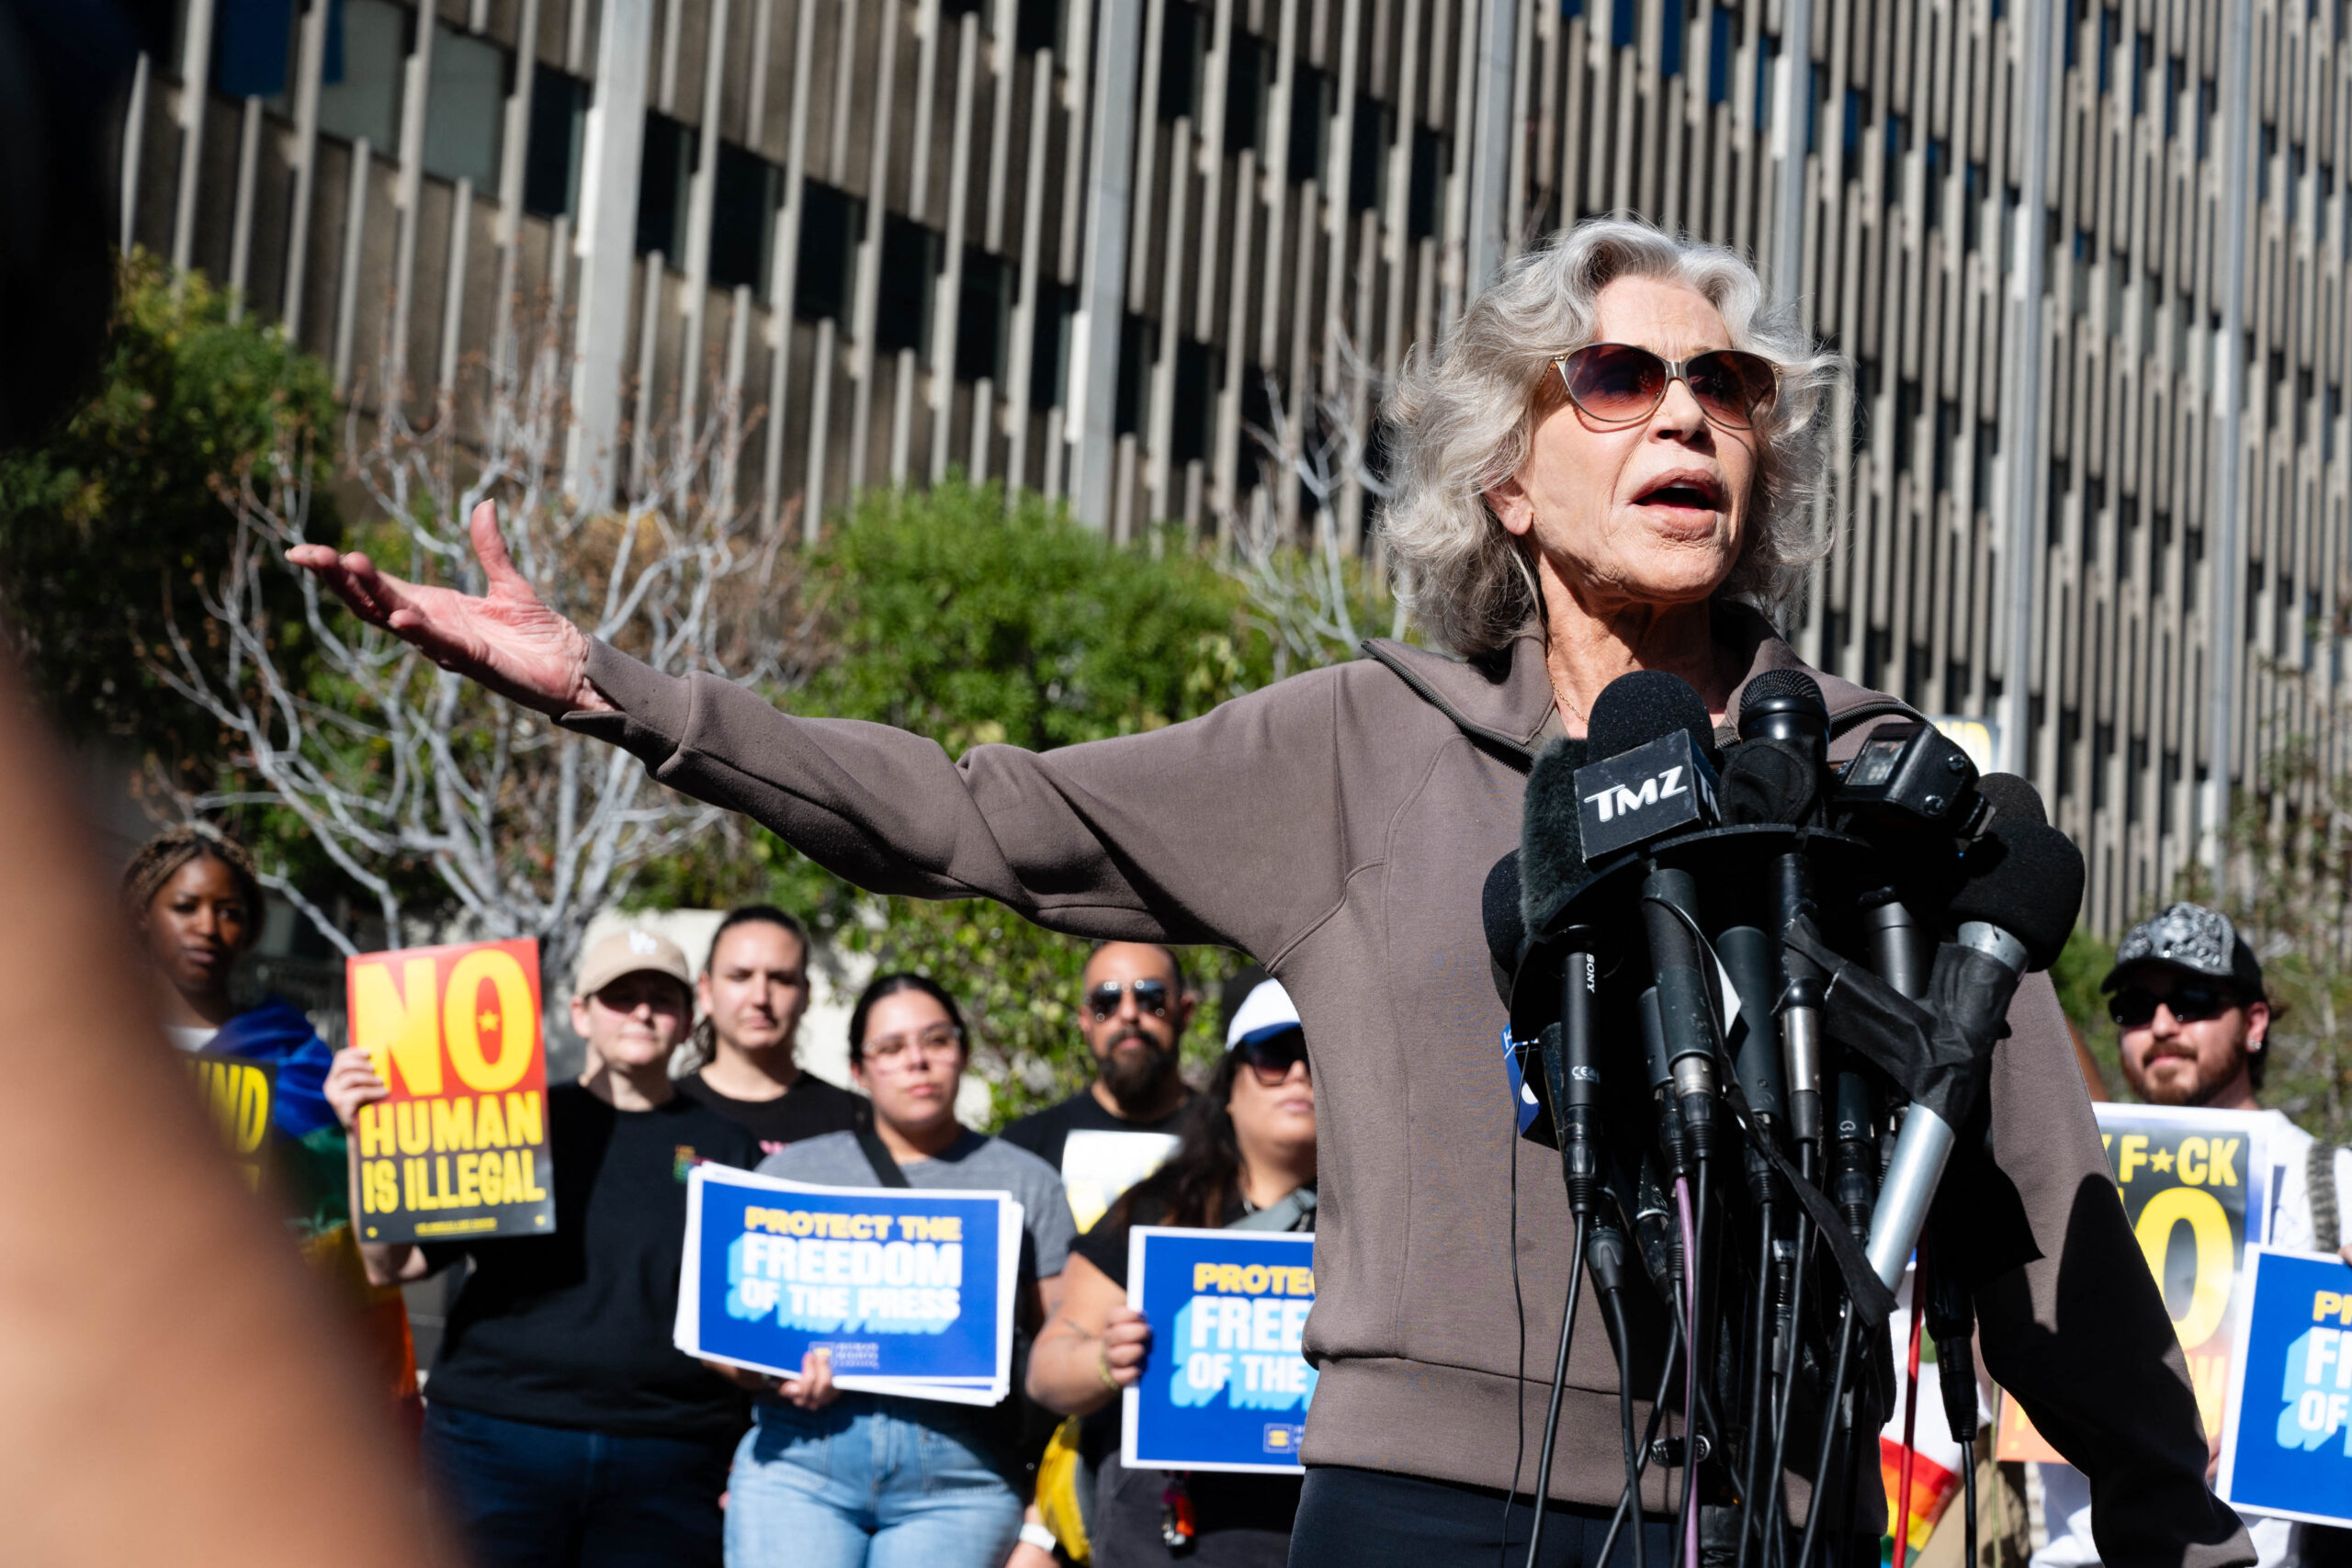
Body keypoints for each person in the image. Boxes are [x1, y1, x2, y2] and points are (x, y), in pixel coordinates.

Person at [292, 215, 2251, 1566]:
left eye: (1723, 383)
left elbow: (2042, 1218)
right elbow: (975, 816)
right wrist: (616, 690)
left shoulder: (1877, 801)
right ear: (1502, 472)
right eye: (1613, 374)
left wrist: (2179, 1528)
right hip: (1416, 1505)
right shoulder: (1353, 743)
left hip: (1780, 1511)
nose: (1680, 413)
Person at [323, 928, 762, 1568]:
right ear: (580, 1013)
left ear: (688, 1018)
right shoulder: (512, 1119)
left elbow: (743, 1319)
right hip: (493, 1437)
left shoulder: (729, 1148)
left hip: (667, 1453)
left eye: (659, 997)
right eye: (620, 995)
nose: (641, 1010)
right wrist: (366, 1137)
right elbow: (391, 1263)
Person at [2031, 903, 2352, 1568]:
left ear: (2255, 1022)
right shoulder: (2062, 1175)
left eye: (2195, 998)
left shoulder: (2337, 1183)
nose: (2163, 1024)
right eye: (2135, 1005)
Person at [721, 971, 1077, 1567]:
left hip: (961, 1479)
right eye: (890, 1048)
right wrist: (769, 1372)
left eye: (936, 1040)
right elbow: (727, 1344)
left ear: (963, 1050)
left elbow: (1061, 1353)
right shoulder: (791, 1175)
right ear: (859, 1071)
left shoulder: (1027, 1180)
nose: (917, 1061)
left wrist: (1041, 1527)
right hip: (801, 1463)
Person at [125, 823, 420, 1416]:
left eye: (229, 911)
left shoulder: (307, 1064)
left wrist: (354, 1129)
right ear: (142, 917)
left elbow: (355, 1230)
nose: (208, 927)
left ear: (250, 929)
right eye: (185, 907)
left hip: (264, 1362)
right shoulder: (99, 1053)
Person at [1028, 976, 1318, 1567]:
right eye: (1274, 1055)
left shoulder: (1389, 1226)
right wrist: (1107, 1361)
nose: (1299, 1075)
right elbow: (1048, 1372)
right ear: (1230, 1084)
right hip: (1163, 1537)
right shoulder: (1154, 1210)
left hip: (1318, 1536)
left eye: (1318, 1058)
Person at [674, 903, 866, 1155]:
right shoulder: (663, 1111)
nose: (760, 998)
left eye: (781, 979)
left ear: (805, 994)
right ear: (706, 991)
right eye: (740, 977)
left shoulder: (856, 1120)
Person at [1001, 942, 1198, 1177]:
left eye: (1151, 997)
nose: (1129, 1014)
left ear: (1184, 1012)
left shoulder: (1235, 1138)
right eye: (1106, 1001)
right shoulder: (1024, 1151)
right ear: (1085, 1021)